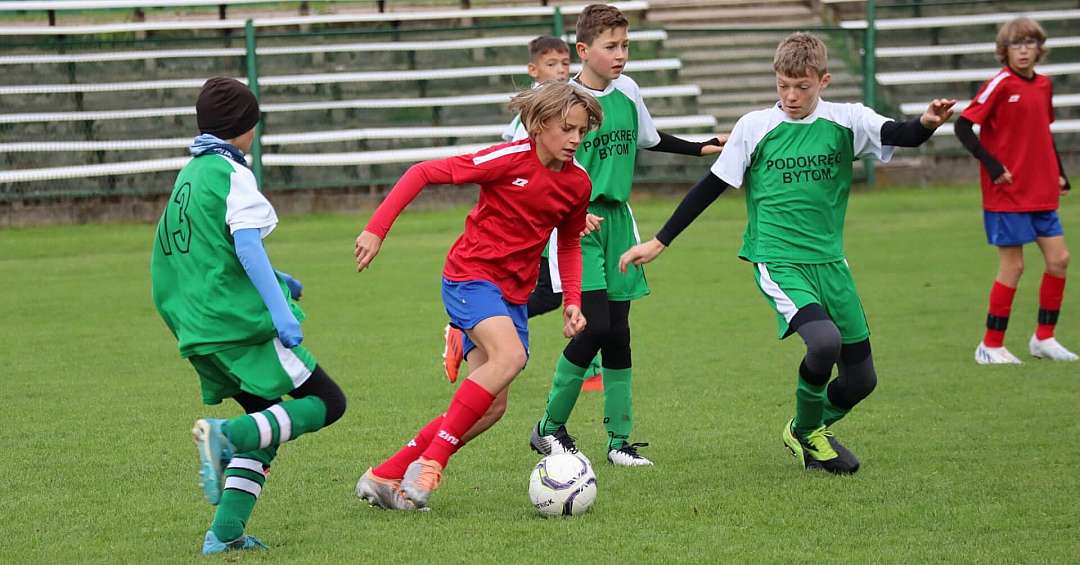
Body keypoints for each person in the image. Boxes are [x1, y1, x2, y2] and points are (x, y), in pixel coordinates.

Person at [619, 32, 955, 475]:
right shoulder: (755, 127)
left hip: (831, 263)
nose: (791, 96)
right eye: (783, 85)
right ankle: (811, 438)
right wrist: (660, 241)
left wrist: (928, 121)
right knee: (823, 342)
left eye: (802, 87)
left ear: (824, 81)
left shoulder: (847, 120)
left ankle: (804, 428)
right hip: (777, 259)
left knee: (861, 380)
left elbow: (903, 134)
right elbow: (711, 187)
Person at [353, 81, 602, 510]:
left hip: (513, 296)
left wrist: (572, 299)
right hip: (470, 277)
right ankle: (432, 462)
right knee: (511, 358)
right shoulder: (507, 159)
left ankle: (384, 474)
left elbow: (568, 242)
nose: (575, 140)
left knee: (492, 408)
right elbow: (422, 172)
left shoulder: (577, 183)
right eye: (566, 129)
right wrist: (377, 228)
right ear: (538, 125)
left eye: (582, 131)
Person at [150, 77, 347, 554]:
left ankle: (224, 534)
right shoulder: (231, 172)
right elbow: (246, 245)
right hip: (234, 321)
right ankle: (223, 436)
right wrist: (282, 311)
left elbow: (209, 248)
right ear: (244, 127)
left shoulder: (190, 174)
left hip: (196, 325)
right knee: (327, 401)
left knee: (266, 420)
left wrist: (282, 278)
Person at [529, 3, 725, 468]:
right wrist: (568, 211)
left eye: (626, 46)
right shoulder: (560, 98)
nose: (621, 55)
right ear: (583, 50)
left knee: (619, 333)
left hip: (618, 222)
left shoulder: (629, 90)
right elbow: (539, 163)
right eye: (610, 46)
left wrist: (700, 147)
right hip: (577, 225)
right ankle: (548, 427)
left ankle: (619, 440)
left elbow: (650, 139)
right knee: (596, 326)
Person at [443, 36, 609, 390]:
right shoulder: (538, 117)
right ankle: (466, 325)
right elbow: (521, 168)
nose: (561, 70)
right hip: (519, 237)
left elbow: (563, 182)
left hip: (546, 228)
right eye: (552, 64)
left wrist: (576, 215)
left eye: (565, 64)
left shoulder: (572, 111)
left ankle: (589, 368)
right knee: (551, 295)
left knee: (561, 293)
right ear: (534, 70)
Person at [955, 17, 1075, 364]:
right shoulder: (999, 84)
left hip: (1040, 191)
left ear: (1039, 49)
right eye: (1015, 45)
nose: (1023, 50)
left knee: (1059, 260)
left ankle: (1044, 338)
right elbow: (964, 127)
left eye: (1029, 44)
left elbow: (1042, 133)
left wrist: (1060, 173)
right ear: (1004, 51)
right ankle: (990, 346)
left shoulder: (1044, 85)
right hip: (1006, 194)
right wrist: (992, 166)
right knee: (1014, 266)